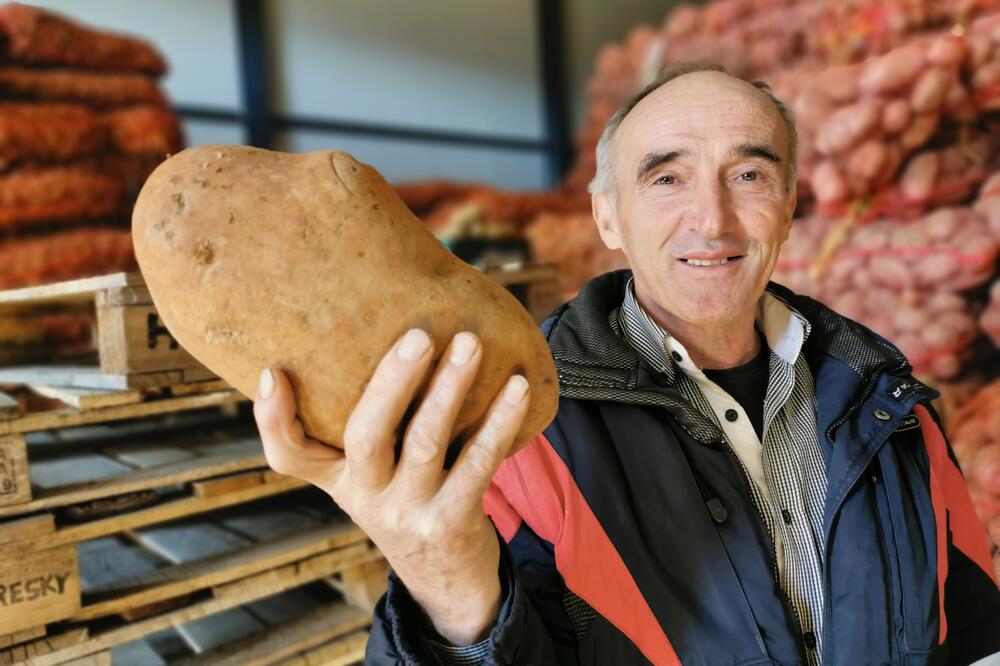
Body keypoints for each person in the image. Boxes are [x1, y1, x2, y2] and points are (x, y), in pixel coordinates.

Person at [252, 63, 1000, 665]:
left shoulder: (890, 405)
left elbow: (974, 631)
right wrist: (444, 583)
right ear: (607, 217)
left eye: (749, 175)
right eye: (666, 178)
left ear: (790, 203)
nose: (712, 219)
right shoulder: (521, 431)